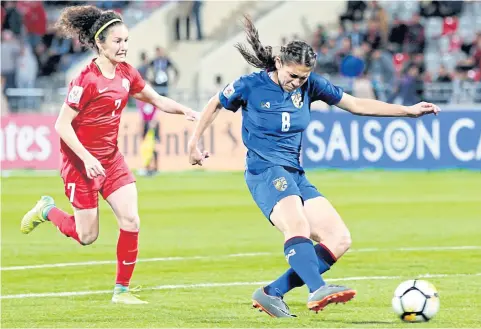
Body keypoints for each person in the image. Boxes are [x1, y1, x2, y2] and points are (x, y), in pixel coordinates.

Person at [187, 16, 440, 318]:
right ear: (278, 63)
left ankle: (272, 293)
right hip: (264, 170)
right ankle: (317, 288)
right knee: (298, 227)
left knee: (339, 238)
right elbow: (215, 103)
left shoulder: (311, 86)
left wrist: (407, 112)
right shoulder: (250, 85)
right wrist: (194, 143)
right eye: (293, 76)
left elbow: (356, 105)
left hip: (295, 172)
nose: (297, 83)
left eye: (304, 78)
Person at [20, 5, 198, 305]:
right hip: (80, 164)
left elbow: (154, 98)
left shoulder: (127, 73)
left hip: (111, 160)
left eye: (126, 41)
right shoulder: (85, 80)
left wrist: (184, 110)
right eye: (117, 41)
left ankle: (122, 291)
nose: (124, 46)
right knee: (87, 236)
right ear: (100, 43)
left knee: (131, 220)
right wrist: (87, 158)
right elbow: (61, 124)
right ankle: (47, 210)